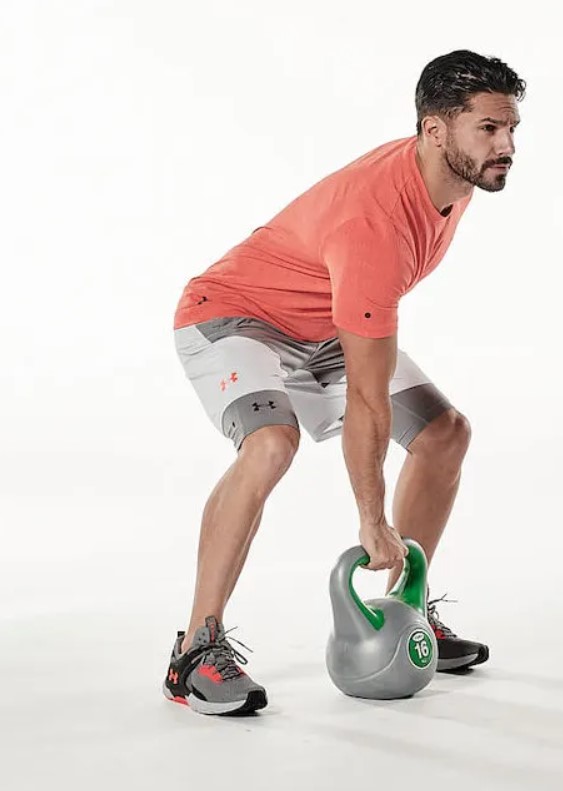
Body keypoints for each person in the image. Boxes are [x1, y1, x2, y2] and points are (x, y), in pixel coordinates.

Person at [163, 49, 525, 715]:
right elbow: (364, 396)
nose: (505, 146)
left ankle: (403, 611)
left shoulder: (457, 175)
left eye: (510, 129)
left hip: (323, 321)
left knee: (444, 434)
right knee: (272, 443)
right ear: (434, 130)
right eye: (488, 130)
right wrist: (371, 520)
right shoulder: (375, 224)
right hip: (234, 317)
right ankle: (194, 650)